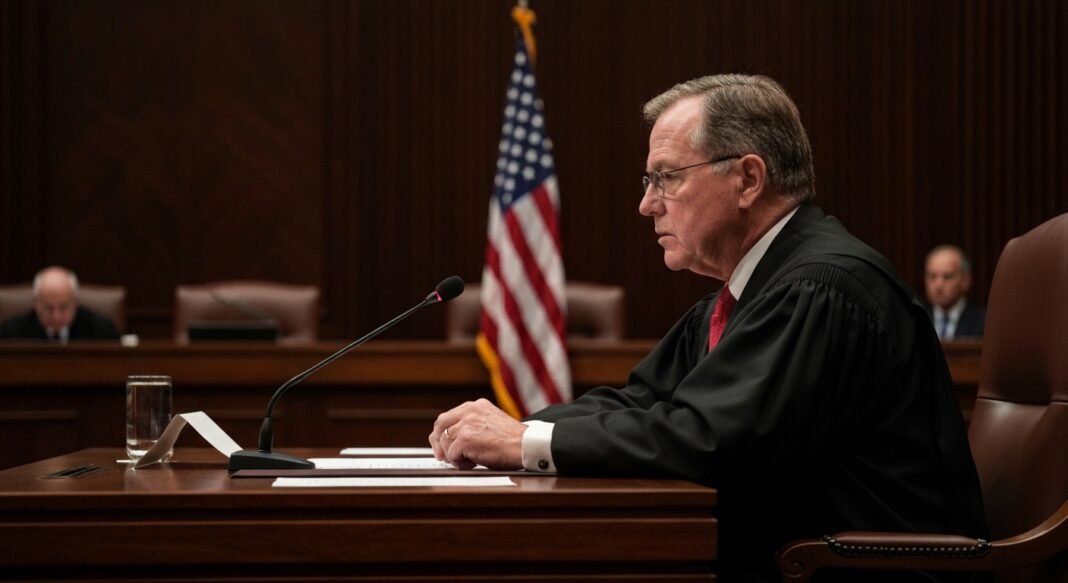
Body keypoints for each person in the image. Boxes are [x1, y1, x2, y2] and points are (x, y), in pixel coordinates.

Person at [429, 74, 987, 581]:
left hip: (866, 572)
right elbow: (643, 404)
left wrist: (525, 442)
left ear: (747, 179)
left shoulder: (820, 288)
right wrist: (506, 431)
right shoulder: (753, 291)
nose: (646, 204)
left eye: (666, 178)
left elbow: (712, 441)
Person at [0, 266, 120, 342]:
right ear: (36, 303)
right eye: (48, 308)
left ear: (75, 301)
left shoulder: (102, 331)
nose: (56, 316)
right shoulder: (11, 334)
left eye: (63, 307)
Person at [923, 244, 985, 339]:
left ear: (965, 280)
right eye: (932, 276)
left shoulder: (983, 321)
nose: (938, 285)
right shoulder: (915, 320)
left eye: (947, 277)